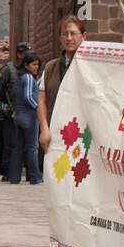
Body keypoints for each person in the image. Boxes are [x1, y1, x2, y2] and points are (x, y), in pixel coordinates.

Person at [38, 14, 86, 153]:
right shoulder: (50, 68)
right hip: (56, 135)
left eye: (73, 33)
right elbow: (41, 100)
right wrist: (44, 129)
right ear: (60, 37)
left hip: (83, 137)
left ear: (84, 36)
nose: (69, 38)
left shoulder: (92, 66)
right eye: (65, 34)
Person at [0, 42, 30, 180]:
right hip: (11, 112)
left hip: (27, 111)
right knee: (11, 143)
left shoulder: (30, 67)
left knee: (26, 143)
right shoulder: (8, 69)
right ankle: (8, 172)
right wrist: (6, 103)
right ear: (19, 54)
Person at [8, 51, 42, 185]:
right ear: (26, 65)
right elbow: (28, 96)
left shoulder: (19, 78)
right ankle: (35, 176)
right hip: (29, 115)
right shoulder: (28, 78)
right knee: (32, 147)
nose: (36, 67)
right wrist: (38, 108)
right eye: (34, 64)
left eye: (37, 65)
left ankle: (14, 176)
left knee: (19, 147)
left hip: (19, 115)